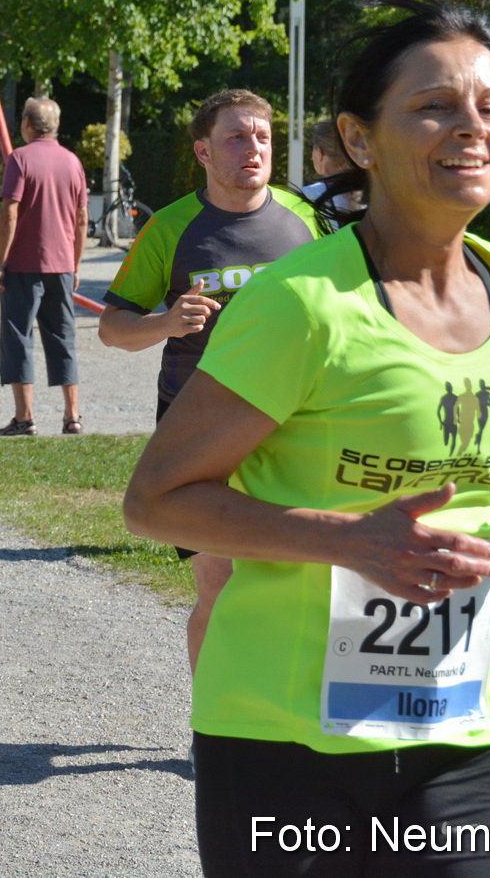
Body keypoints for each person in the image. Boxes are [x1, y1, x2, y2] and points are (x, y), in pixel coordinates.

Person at [123, 0, 490, 877]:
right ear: (360, 140)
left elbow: (446, 482)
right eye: (435, 105)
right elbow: (156, 500)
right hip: (282, 741)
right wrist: (347, 541)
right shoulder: (302, 303)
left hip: (456, 730)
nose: (471, 127)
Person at [99, 88, 324, 673]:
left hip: (290, 424)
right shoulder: (172, 227)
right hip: (198, 425)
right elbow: (112, 329)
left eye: (263, 137)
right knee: (220, 582)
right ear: (202, 151)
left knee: (295, 581)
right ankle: (213, 733)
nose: (254, 149)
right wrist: (167, 322)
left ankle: (281, 719)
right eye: (236, 138)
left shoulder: (304, 220)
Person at [0, 97, 88, 436]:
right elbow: (81, 219)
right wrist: (75, 265)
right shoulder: (73, 162)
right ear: (56, 126)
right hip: (61, 264)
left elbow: (9, 213)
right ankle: (72, 416)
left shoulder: (20, 158)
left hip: (23, 264)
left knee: (18, 337)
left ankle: (24, 418)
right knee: (63, 337)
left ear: (27, 124)